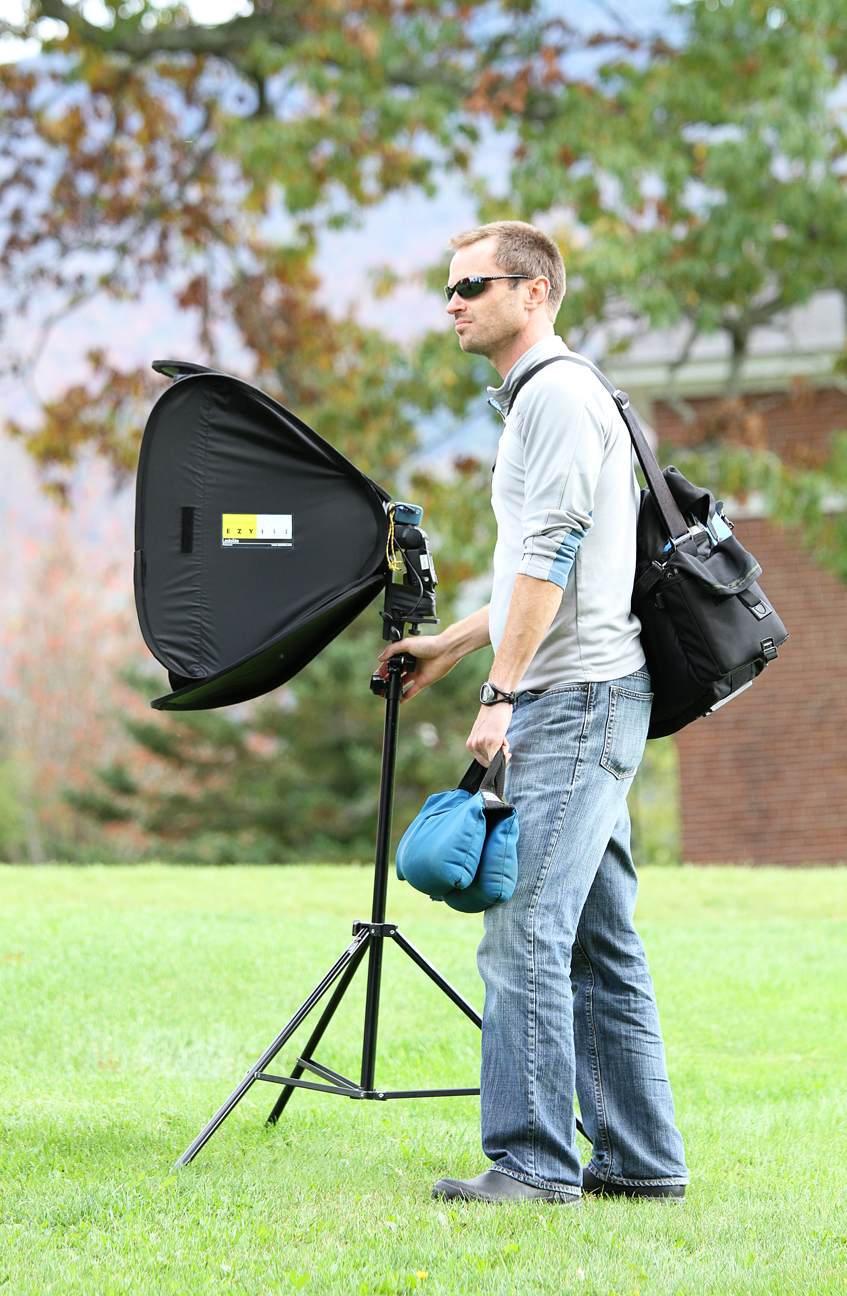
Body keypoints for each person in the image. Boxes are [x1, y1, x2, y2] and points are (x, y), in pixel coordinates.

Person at [378, 220, 688, 1205]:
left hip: (575, 702)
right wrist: (453, 646)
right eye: (449, 287)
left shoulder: (554, 395)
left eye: (472, 285)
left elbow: (551, 559)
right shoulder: (548, 396)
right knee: (598, 940)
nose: (454, 303)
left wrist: (500, 694)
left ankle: (532, 1164)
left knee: (522, 931)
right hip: (590, 694)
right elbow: (539, 569)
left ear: (534, 291)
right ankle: (640, 1161)